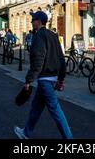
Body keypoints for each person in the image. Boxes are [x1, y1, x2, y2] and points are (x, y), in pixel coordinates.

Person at [14, 11, 72, 139]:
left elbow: (38, 60)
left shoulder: (39, 35)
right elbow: (61, 59)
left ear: (39, 21)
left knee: (56, 111)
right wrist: (61, 79)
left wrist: (28, 80)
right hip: (51, 78)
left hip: (45, 79)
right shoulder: (53, 35)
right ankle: (26, 133)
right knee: (37, 106)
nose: (31, 22)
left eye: (33, 19)